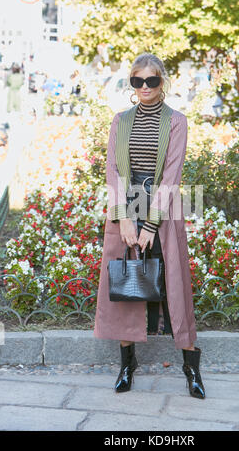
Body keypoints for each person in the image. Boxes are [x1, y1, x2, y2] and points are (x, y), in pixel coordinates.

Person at [93, 53, 205, 399]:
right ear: (131, 83)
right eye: (137, 81)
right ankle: (128, 364)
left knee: (174, 282)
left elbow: (172, 174)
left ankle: (191, 367)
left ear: (162, 83)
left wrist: (151, 223)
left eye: (151, 81)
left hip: (163, 207)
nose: (144, 87)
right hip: (126, 204)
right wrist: (124, 217)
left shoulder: (176, 122)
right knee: (128, 280)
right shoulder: (120, 121)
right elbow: (113, 170)